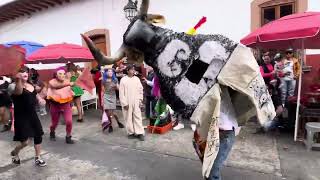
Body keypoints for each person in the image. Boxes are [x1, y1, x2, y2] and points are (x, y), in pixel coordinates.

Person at [9, 66, 46, 167]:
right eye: (21, 71)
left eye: (26, 71)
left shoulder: (30, 84)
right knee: (25, 142)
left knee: (38, 135)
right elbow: (19, 92)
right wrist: (18, 80)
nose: (25, 73)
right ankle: (15, 152)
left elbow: (35, 95)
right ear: (16, 74)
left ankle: (38, 157)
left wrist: (40, 100)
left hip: (32, 115)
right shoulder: (13, 86)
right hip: (21, 117)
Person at [208, 87, 239, 180]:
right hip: (216, 129)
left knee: (213, 171)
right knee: (210, 167)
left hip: (226, 131)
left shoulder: (225, 86)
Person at [48, 67, 75, 144]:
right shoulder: (51, 82)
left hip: (66, 105)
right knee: (54, 123)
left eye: (63, 73)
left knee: (69, 121)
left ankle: (68, 137)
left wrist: (72, 101)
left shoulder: (67, 81)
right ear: (56, 75)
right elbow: (56, 86)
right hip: (55, 105)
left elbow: (70, 93)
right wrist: (69, 83)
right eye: (60, 73)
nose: (62, 75)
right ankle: (52, 132)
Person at [119, 64, 145, 141]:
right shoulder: (123, 80)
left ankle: (139, 132)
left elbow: (140, 90)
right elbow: (121, 93)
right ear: (127, 71)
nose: (133, 71)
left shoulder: (137, 79)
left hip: (136, 101)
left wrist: (140, 100)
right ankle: (130, 132)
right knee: (128, 117)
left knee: (138, 117)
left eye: (134, 69)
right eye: (132, 69)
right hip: (127, 102)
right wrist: (124, 103)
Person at [102, 68, 124, 132]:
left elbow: (119, 88)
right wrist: (103, 98)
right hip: (106, 96)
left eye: (111, 71)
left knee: (113, 113)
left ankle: (118, 122)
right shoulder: (104, 80)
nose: (110, 72)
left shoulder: (115, 79)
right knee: (108, 113)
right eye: (109, 71)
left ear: (113, 73)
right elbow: (103, 90)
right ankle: (110, 125)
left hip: (113, 96)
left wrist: (116, 87)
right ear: (106, 73)